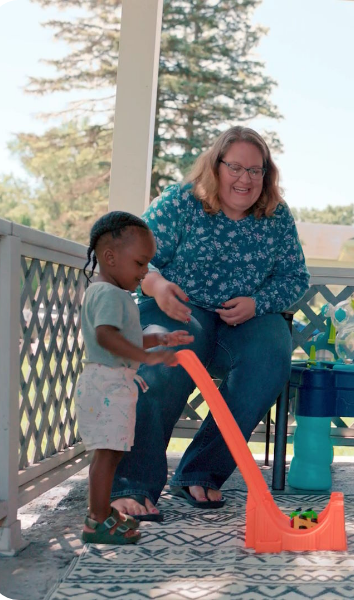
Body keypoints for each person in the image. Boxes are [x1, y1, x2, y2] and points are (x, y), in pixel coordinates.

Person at [110, 126, 310, 520]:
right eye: (235, 167)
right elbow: (132, 257)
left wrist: (258, 302)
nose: (245, 178)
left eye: (256, 170)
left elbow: (295, 277)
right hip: (177, 308)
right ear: (215, 166)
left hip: (243, 323)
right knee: (174, 348)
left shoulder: (276, 217)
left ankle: (202, 469)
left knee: (273, 351)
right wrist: (158, 284)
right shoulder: (181, 202)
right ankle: (133, 483)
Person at [77, 212, 192, 544]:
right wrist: (147, 358)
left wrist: (159, 340)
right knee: (107, 454)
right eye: (140, 264)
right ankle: (96, 520)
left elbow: (124, 338)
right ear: (110, 257)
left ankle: (102, 513)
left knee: (112, 452)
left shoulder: (112, 293)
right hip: (106, 385)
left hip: (113, 383)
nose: (145, 273)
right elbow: (106, 337)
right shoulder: (109, 295)